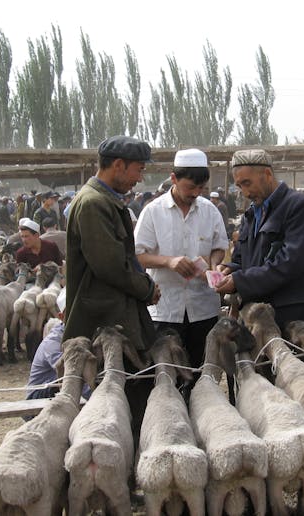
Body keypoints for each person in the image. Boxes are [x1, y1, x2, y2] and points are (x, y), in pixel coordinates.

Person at [63, 135, 160, 438]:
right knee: (118, 404)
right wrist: (147, 289)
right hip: (106, 321)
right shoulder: (94, 204)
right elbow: (110, 267)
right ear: (118, 165)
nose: (139, 178)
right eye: (138, 170)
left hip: (115, 314)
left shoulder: (105, 202)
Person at [134, 148, 228, 375]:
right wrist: (168, 262)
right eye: (190, 187)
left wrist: (214, 265)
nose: (196, 192)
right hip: (166, 310)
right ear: (173, 178)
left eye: (201, 188)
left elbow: (219, 247)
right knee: (167, 375)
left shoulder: (210, 211)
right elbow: (137, 255)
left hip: (203, 309)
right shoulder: (153, 212)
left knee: (202, 373)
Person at [215, 149, 304, 336]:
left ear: (267, 174)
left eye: (247, 183)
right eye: (239, 185)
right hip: (259, 320)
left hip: (294, 320)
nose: (245, 192)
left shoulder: (298, 206)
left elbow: (291, 262)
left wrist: (239, 281)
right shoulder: (250, 214)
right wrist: (230, 269)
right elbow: (242, 258)